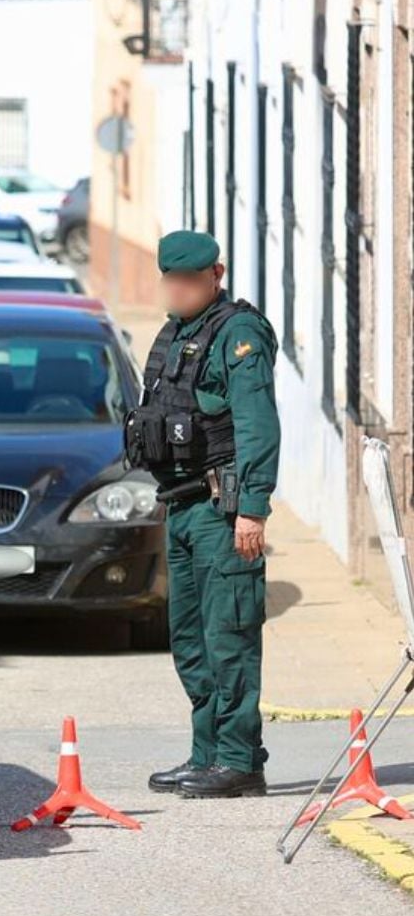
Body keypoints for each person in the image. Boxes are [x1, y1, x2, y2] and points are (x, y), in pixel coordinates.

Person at [128, 231, 281, 799]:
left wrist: (252, 509)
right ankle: (207, 753)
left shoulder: (238, 334)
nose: (178, 289)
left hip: (222, 510)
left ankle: (239, 760)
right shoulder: (177, 332)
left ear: (216, 275)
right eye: (171, 280)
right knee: (189, 639)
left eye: (189, 281)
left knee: (230, 636)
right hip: (183, 506)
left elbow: (257, 424)